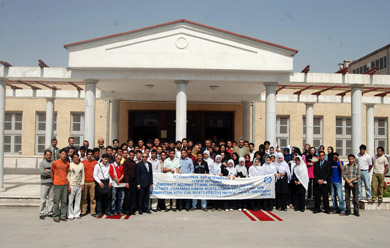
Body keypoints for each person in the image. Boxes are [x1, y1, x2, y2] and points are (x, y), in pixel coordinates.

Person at [50, 148, 70, 222]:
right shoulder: (55, 163)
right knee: (56, 200)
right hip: (57, 183)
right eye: (63, 154)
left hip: (65, 183)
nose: (64, 155)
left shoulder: (67, 164)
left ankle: (63, 215)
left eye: (65, 154)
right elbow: (52, 172)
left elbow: (67, 173)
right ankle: (55, 216)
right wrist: (54, 180)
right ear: (59, 154)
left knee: (64, 200)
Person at [67, 153, 85, 220]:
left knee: (78, 200)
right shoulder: (70, 165)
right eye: (74, 157)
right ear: (72, 158)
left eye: (77, 157)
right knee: (71, 200)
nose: (76, 158)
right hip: (72, 184)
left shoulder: (81, 165)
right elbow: (68, 175)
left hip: (79, 184)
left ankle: (77, 213)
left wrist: (82, 183)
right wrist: (68, 185)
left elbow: (83, 174)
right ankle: (70, 214)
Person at [81, 149, 97, 217]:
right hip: (85, 182)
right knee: (84, 197)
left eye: (91, 154)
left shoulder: (95, 162)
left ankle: (93, 211)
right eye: (89, 154)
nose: (90, 156)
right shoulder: (82, 162)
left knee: (92, 198)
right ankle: (83, 211)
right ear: (86, 155)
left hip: (92, 182)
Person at [39, 150, 54, 219]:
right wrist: (50, 171)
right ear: (45, 155)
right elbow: (42, 172)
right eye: (47, 155)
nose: (49, 156)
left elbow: (55, 171)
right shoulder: (42, 163)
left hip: (52, 183)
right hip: (44, 183)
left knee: (51, 199)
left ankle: (50, 212)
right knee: (43, 199)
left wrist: (47, 170)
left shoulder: (53, 163)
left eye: (50, 155)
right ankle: (41, 212)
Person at [123, 150, 138, 215]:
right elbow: (125, 172)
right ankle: (126, 209)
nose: (132, 156)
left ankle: (132, 209)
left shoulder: (134, 162)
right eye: (131, 155)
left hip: (134, 180)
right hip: (128, 180)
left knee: (133, 195)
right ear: (129, 155)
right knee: (128, 195)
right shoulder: (126, 162)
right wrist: (126, 182)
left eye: (133, 155)